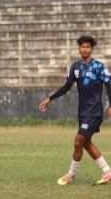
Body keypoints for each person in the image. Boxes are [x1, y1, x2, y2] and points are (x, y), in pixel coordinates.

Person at [39, 35, 111, 185]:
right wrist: (50, 98)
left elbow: (109, 85)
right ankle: (107, 171)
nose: (85, 49)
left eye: (88, 47)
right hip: (83, 112)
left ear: (91, 49)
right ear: (79, 48)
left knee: (78, 140)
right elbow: (66, 87)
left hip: (95, 111)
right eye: (83, 46)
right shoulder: (75, 67)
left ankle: (71, 174)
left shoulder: (99, 67)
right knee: (85, 143)